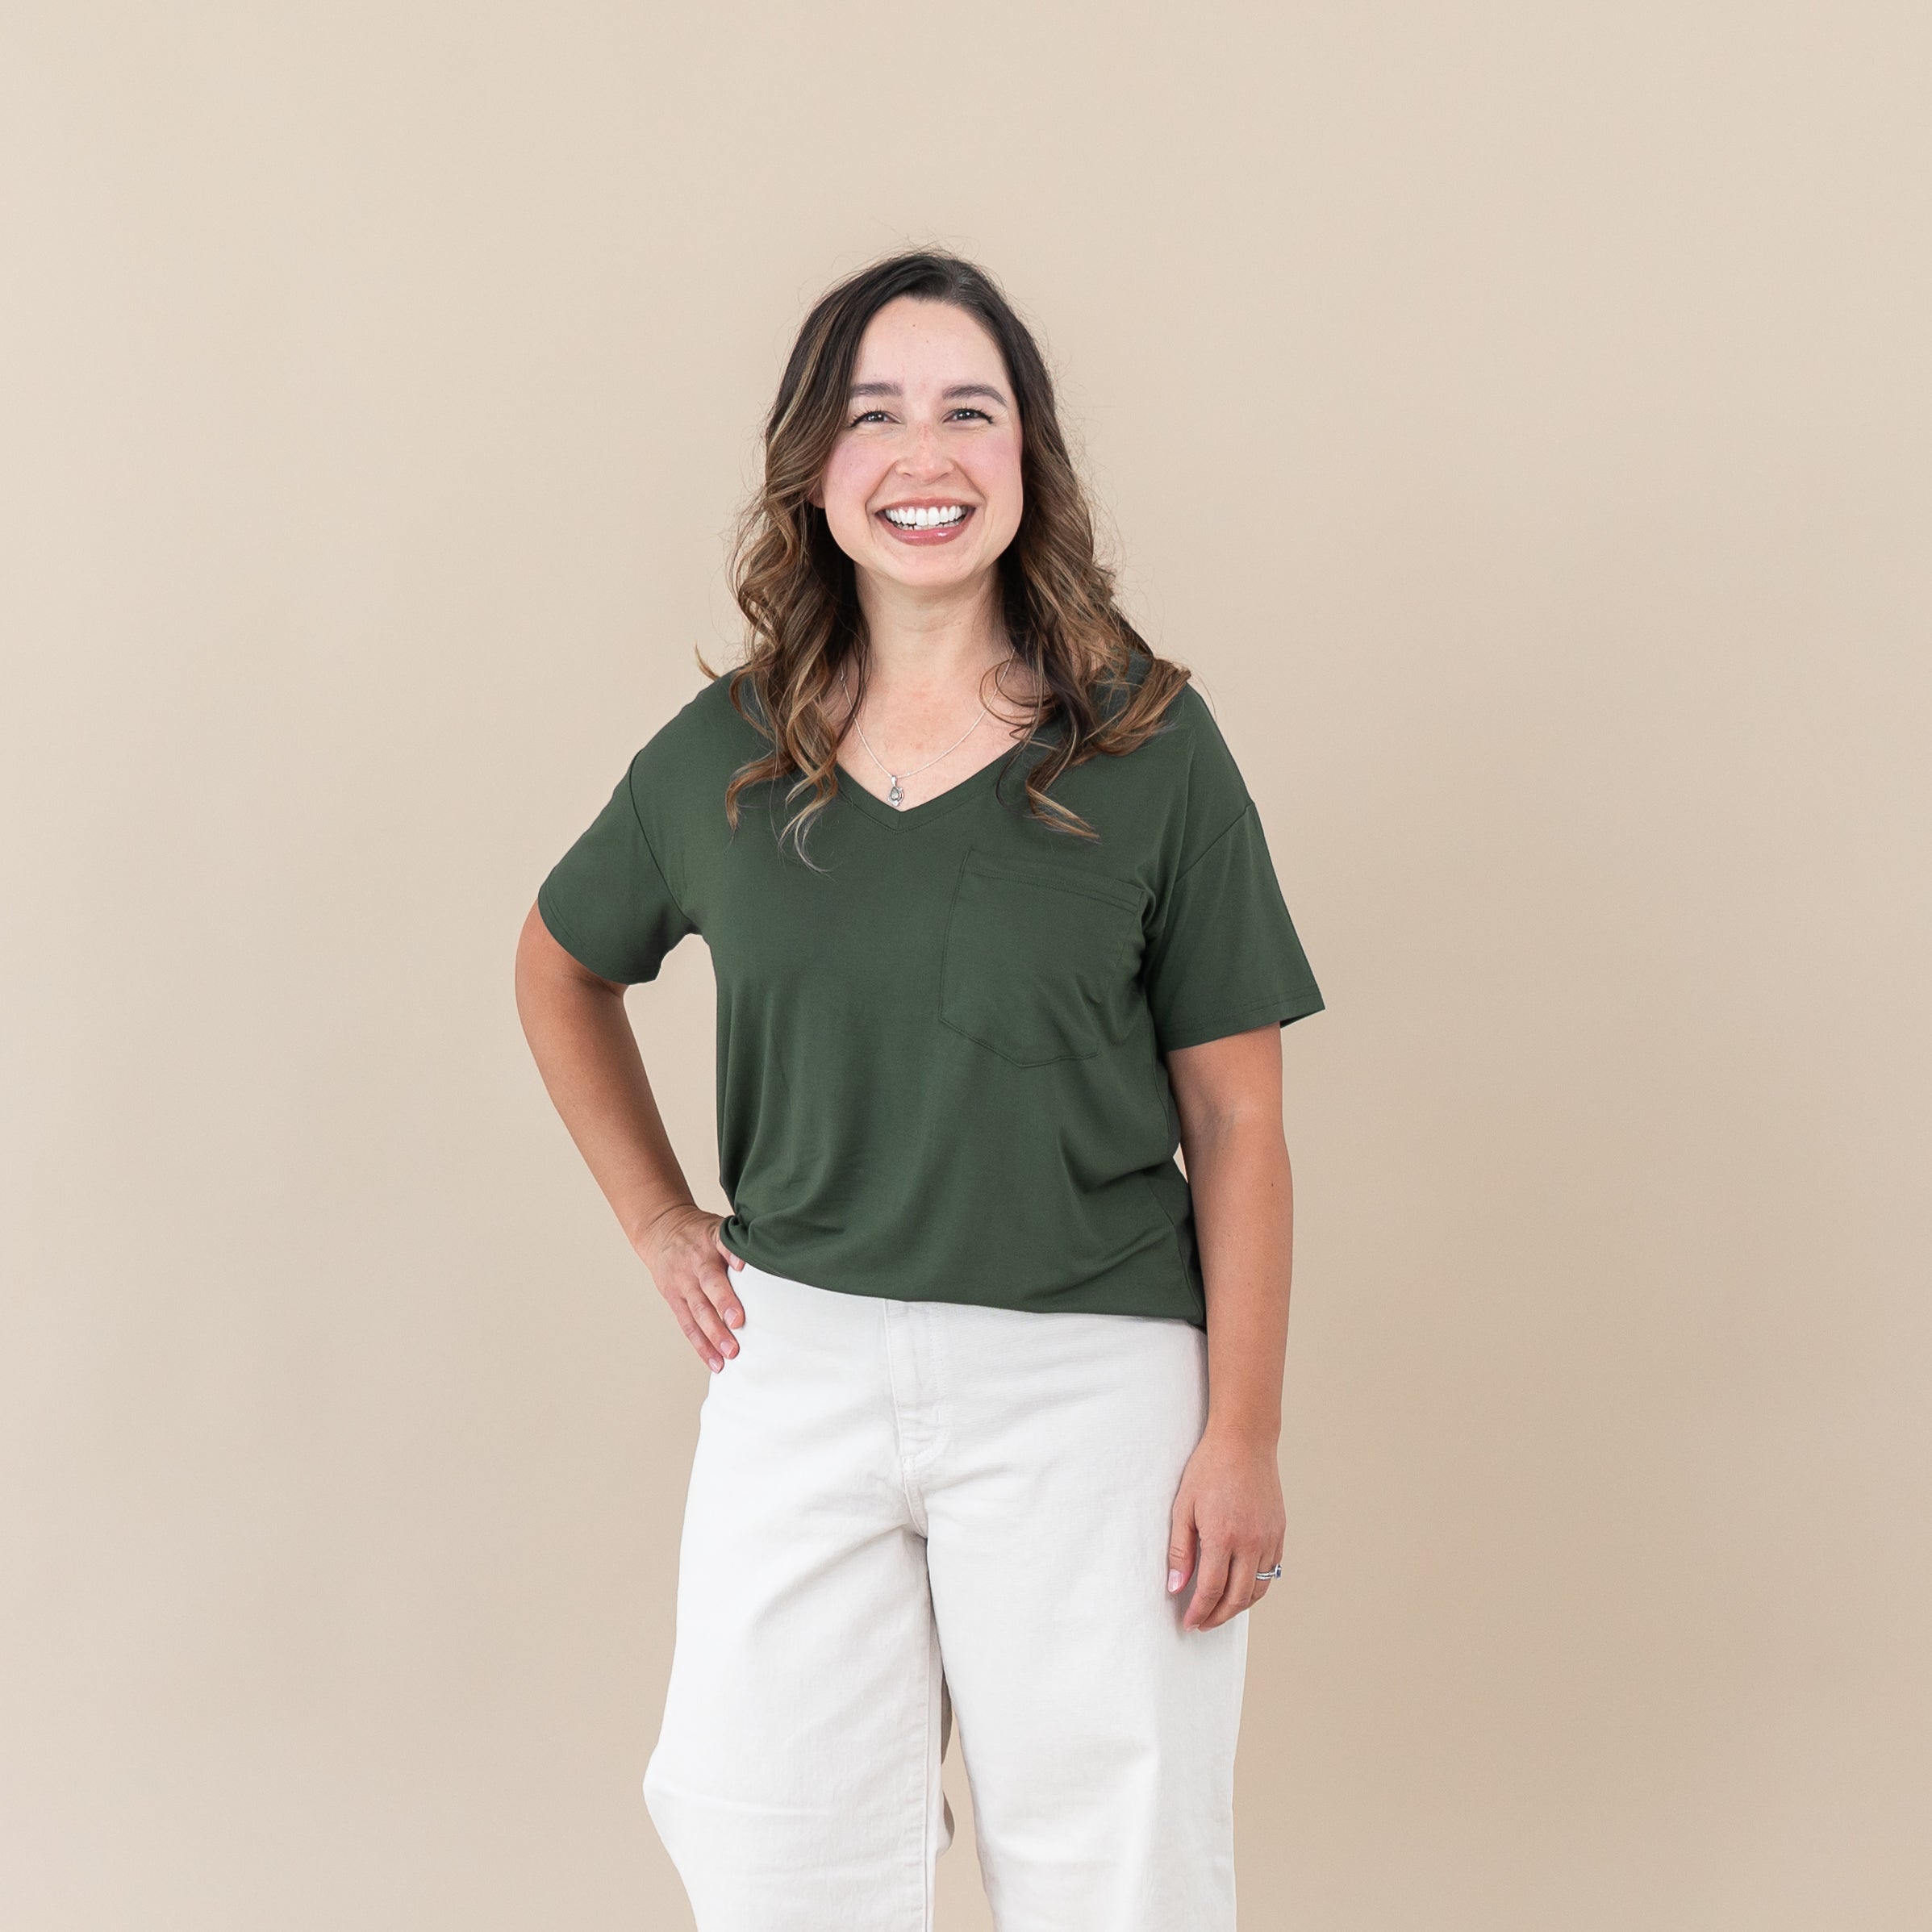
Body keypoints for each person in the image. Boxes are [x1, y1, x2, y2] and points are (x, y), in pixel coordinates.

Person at [513, 248, 1325, 1932]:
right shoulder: (728, 754)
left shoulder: (1150, 748)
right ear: (817, 469)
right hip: (799, 1368)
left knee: (1117, 1874)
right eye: (875, 415)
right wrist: (659, 1219)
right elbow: (558, 964)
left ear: (1029, 458)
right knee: (770, 1850)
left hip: (1092, 1380)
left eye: (971, 410)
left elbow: (1239, 1121)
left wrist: (1240, 1431)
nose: (924, 455)